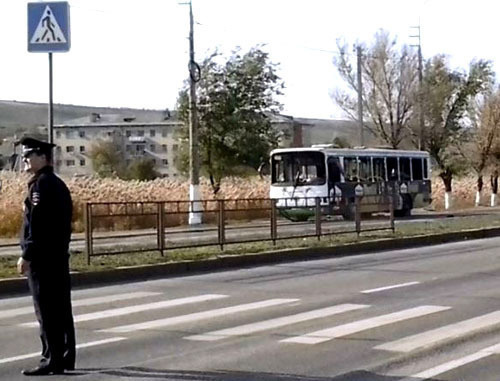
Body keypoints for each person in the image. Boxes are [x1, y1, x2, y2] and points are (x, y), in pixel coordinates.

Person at [17, 137, 75, 376]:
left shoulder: (40, 186)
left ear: (42, 157)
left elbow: (38, 226)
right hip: (57, 257)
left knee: (47, 309)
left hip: (43, 259)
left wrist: (27, 254)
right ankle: (65, 356)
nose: (26, 160)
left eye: (29, 156)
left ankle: (51, 359)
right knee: (61, 308)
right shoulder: (56, 183)